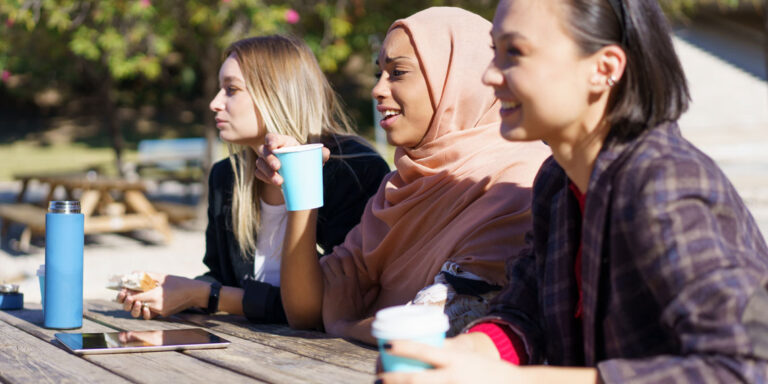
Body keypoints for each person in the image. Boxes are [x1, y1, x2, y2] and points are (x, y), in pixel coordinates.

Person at [377, 0, 768, 383]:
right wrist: (459, 357)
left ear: (604, 68)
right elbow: (525, 314)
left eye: (515, 52)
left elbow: (746, 368)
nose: (490, 76)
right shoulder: (558, 184)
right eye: (495, 52)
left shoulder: (664, 186)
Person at [255, 7, 551, 344]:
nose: (377, 89)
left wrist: (345, 325)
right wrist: (301, 188)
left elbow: (445, 324)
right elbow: (306, 311)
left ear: (457, 80)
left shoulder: (517, 180)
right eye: (379, 72)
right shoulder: (399, 186)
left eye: (398, 72)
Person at [117, 35, 390, 323]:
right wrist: (171, 290)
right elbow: (222, 278)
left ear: (276, 94)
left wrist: (205, 295)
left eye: (231, 89)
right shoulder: (227, 177)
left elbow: (328, 306)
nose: (214, 103)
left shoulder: (356, 171)